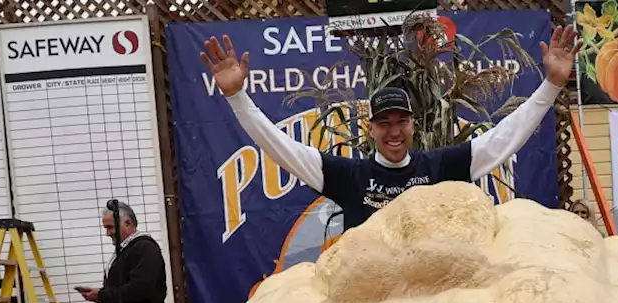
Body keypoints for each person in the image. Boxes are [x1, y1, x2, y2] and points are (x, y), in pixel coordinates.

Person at [200, 25, 579, 233]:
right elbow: (278, 145)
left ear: (413, 125)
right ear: (371, 129)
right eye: (385, 124)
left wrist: (552, 85)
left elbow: (504, 138)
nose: (394, 132)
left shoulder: (439, 168)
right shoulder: (348, 176)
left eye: (401, 122)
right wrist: (237, 97)